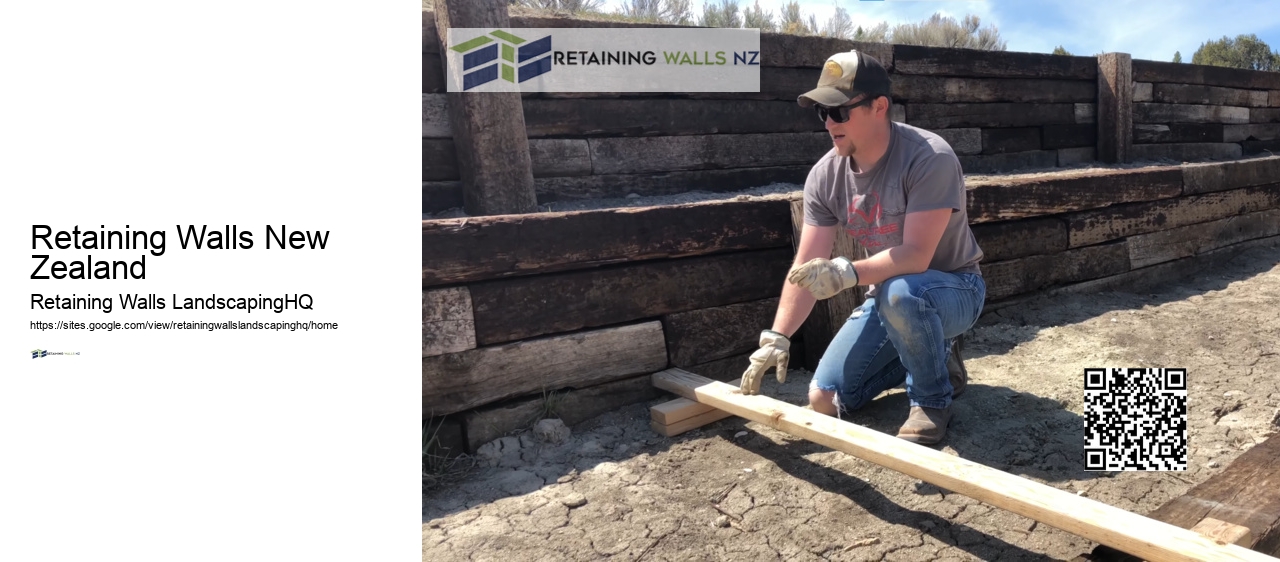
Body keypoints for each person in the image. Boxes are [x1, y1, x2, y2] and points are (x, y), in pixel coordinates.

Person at [739, 50, 985, 445]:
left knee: (902, 291)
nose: (829, 124)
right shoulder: (825, 175)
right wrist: (778, 336)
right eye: (823, 113)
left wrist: (847, 272)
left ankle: (932, 401)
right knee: (826, 398)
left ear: (879, 107)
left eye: (839, 112)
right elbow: (806, 265)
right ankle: (936, 356)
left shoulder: (929, 157)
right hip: (888, 298)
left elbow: (916, 256)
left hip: (953, 289)